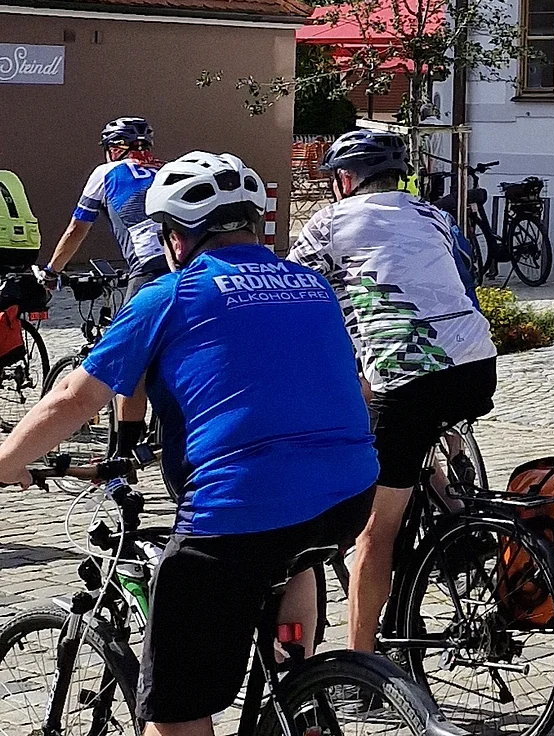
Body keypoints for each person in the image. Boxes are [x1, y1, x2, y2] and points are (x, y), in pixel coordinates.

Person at [0, 151, 378, 736]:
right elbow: (350, 382)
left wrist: (7, 461)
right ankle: (294, 688)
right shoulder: (312, 285)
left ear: (176, 237)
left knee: (175, 712)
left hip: (239, 510)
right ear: (252, 224)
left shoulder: (168, 296)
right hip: (349, 493)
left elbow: (75, 398)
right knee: (293, 550)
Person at [288, 130, 498, 655]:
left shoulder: (331, 222)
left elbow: (291, 294)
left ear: (343, 180)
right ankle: (456, 522)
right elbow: (465, 285)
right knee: (410, 443)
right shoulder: (433, 215)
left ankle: (360, 667)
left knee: (373, 534)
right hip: (476, 364)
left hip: (407, 378)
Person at [48, 117, 166, 462]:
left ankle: (121, 456)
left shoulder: (105, 173)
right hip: (188, 265)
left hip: (147, 272)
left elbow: (76, 230)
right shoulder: (167, 170)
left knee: (130, 366)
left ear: (113, 148)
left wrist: (52, 270)